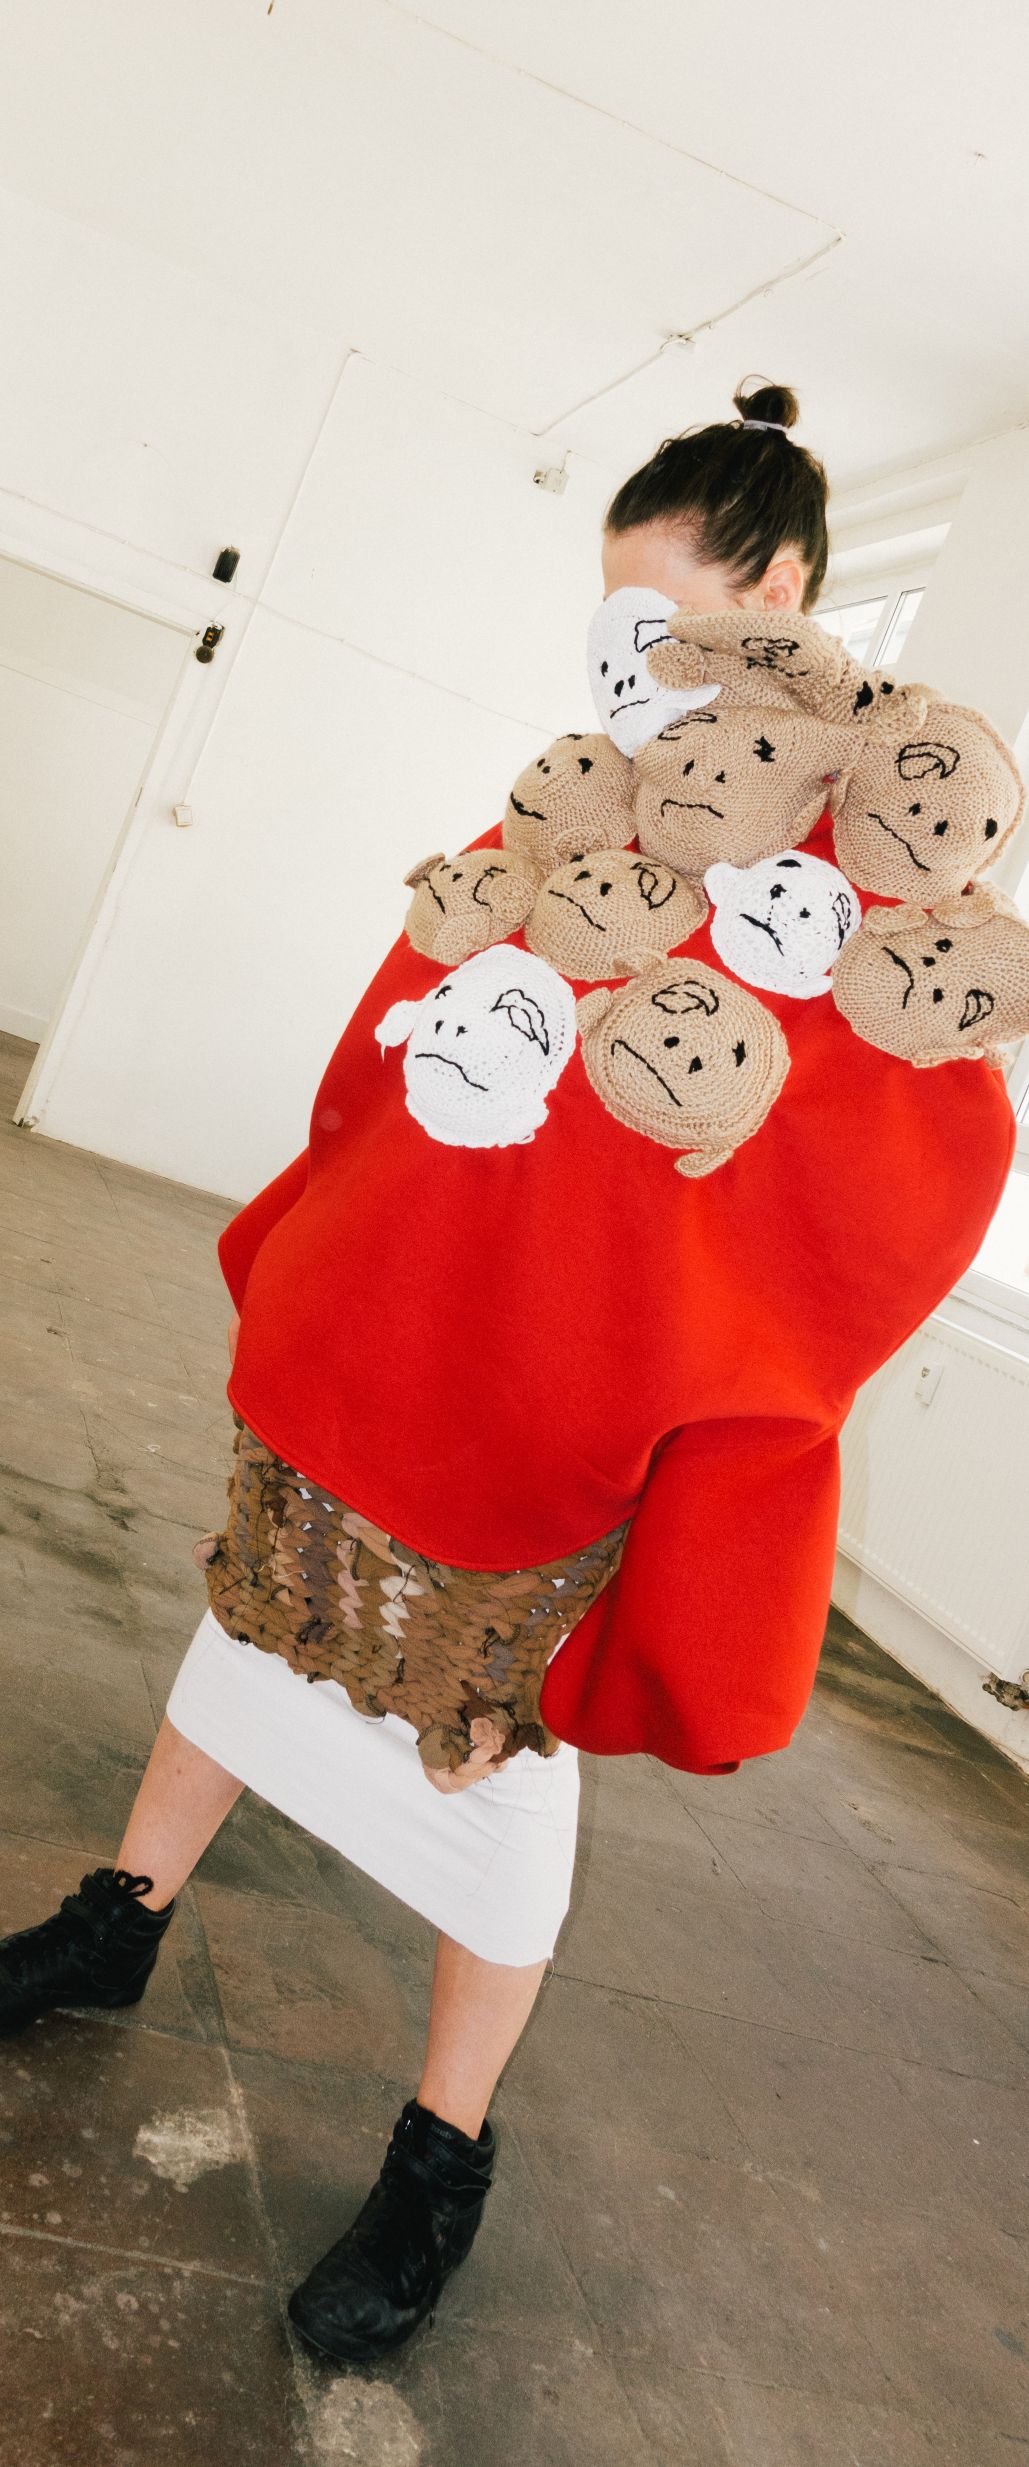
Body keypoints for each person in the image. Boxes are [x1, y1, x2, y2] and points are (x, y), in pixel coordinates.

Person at [0, 378, 1018, 2370]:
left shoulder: (866, 871)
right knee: (254, 1624)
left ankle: (441, 2149)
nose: (625, 660)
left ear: (777, 596)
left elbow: (904, 1133)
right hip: (413, 1331)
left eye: (656, 616)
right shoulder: (611, 792)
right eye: (608, 621)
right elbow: (443, 982)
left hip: (572, 1405)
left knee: (489, 1772)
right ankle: (119, 1917)